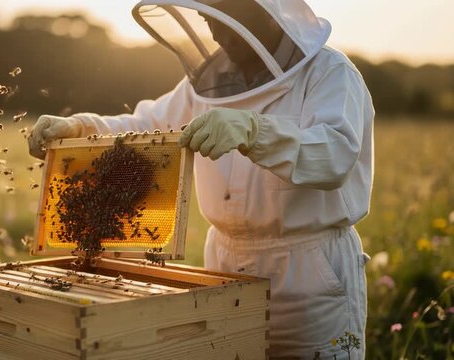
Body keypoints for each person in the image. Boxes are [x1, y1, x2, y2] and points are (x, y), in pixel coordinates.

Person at [28, 0, 373, 358]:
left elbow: (335, 155)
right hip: (224, 265)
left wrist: (255, 132)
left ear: (270, 14)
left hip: (310, 276)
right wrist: (81, 127)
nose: (217, 33)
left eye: (229, 20)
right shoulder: (209, 82)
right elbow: (145, 128)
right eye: (209, 20)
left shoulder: (330, 73)